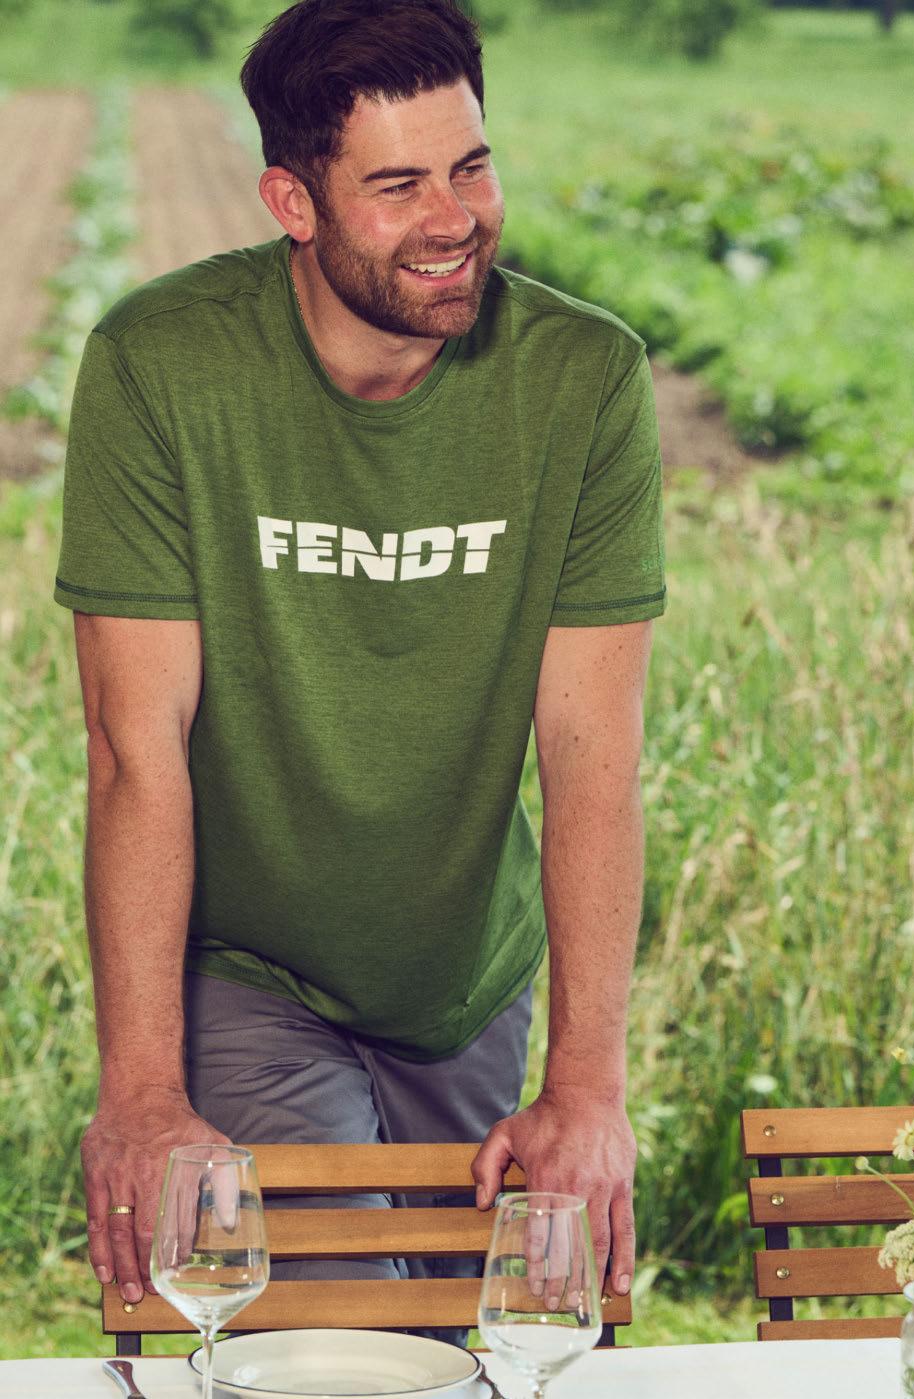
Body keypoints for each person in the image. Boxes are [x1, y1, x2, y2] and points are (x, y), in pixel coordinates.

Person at [55, 0, 666, 1339]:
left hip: (468, 971)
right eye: (397, 186)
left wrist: (586, 1087)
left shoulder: (583, 380)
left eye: (471, 166)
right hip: (252, 968)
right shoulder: (164, 367)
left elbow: (591, 757)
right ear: (294, 201)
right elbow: (133, 748)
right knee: (336, 1346)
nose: (454, 219)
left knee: (466, 1339)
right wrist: (143, 1091)